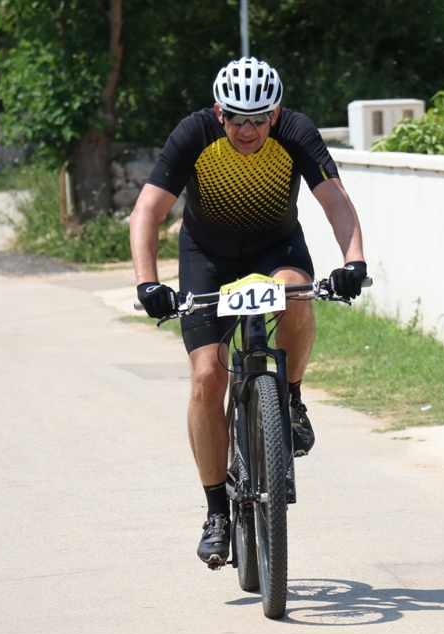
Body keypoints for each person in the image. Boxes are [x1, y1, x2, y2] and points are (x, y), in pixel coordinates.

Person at [129, 57, 368, 568]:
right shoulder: (193, 133)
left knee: (296, 296)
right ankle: (217, 512)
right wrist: (148, 282)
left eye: (260, 118)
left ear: (275, 113)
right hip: (206, 257)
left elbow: (336, 202)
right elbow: (147, 209)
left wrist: (354, 262)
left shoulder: (296, 132)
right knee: (206, 377)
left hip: (275, 249)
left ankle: (292, 399)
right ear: (219, 112)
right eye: (237, 118)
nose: (248, 129)